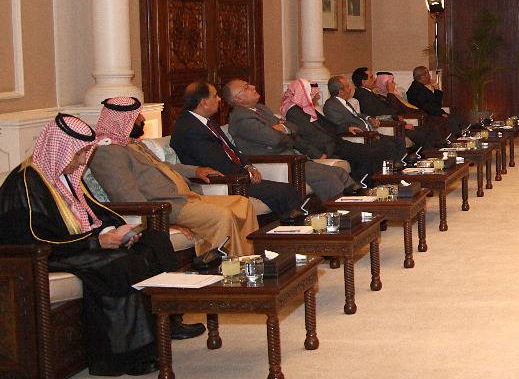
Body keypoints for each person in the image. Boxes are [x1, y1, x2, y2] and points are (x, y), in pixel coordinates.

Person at [0, 114, 204, 377]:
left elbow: (93, 212)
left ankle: (168, 321)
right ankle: (129, 354)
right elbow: (33, 238)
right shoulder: (26, 183)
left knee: (155, 240)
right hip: (47, 254)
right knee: (121, 264)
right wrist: (97, 242)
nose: (82, 161)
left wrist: (114, 231)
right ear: (60, 149)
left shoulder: (65, 175)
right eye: (79, 154)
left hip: (80, 244)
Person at [89, 97, 259, 257]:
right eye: (136, 116)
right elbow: (126, 196)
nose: (142, 119)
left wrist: (196, 171)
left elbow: (163, 166)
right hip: (165, 207)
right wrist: (166, 222)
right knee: (221, 215)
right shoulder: (107, 153)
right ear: (121, 121)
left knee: (242, 204)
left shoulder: (132, 144)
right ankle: (225, 267)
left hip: (185, 198)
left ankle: (247, 259)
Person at [170, 81, 303, 216]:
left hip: (237, 175)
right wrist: (246, 174)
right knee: (283, 192)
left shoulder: (206, 121)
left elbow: (231, 149)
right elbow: (216, 162)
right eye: (215, 96)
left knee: (286, 190)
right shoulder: (190, 128)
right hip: (225, 181)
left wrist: (248, 166)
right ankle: (294, 226)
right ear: (204, 102)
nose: (219, 99)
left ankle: (295, 224)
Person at [222, 79, 355, 200]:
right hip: (279, 162)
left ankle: (358, 205)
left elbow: (293, 127)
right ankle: (341, 212)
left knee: (340, 172)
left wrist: (282, 128)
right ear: (238, 99)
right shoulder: (241, 118)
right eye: (246, 87)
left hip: (293, 157)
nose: (253, 86)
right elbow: (275, 139)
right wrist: (284, 132)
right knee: (329, 177)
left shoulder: (261, 109)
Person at [282, 78, 396, 182]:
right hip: (325, 148)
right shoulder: (293, 113)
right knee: (367, 152)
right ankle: (365, 183)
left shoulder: (306, 108)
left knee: (371, 150)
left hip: (333, 142)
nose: (314, 95)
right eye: (310, 92)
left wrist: (346, 128)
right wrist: (316, 154)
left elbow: (327, 124)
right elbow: (297, 138)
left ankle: (371, 182)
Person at [322, 75, 406, 160]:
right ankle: (391, 167)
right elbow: (336, 124)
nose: (350, 88)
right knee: (390, 145)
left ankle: (399, 165)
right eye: (347, 86)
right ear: (341, 92)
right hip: (363, 136)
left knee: (399, 141)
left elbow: (356, 115)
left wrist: (368, 118)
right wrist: (348, 128)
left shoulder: (342, 102)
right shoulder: (331, 105)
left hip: (370, 133)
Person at [353, 71, 443, 150]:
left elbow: (390, 109)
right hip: (390, 125)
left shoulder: (371, 93)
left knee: (429, 129)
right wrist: (401, 123)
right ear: (363, 82)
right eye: (371, 77)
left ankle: (435, 154)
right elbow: (378, 113)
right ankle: (430, 156)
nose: (374, 79)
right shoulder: (362, 94)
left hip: (396, 122)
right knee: (425, 132)